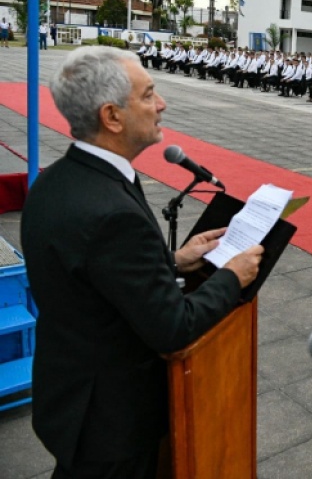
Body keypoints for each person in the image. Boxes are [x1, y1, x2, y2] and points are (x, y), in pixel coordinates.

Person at [21, 46, 264, 478]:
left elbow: (91, 271)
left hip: (70, 394)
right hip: (111, 422)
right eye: (149, 94)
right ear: (112, 117)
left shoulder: (57, 179)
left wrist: (172, 261)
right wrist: (231, 276)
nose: (162, 104)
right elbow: (173, 328)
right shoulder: (112, 211)